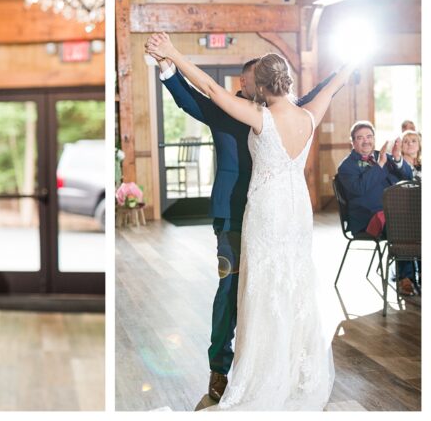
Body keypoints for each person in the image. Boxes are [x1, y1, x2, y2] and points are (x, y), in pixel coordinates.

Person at [147, 32, 355, 410]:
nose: (242, 86)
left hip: (266, 214)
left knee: (272, 291)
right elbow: (196, 95)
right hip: (261, 215)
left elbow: (210, 84)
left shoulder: (263, 113)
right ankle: (228, 366)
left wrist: (175, 51)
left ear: (259, 83)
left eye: (248, 81)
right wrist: (349, 63)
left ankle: (271, 369)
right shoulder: (280, 113)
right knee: (246, 290)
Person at [336, 122, 415, 294]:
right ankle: (405, 278)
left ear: (374, 139)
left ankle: (420, 273)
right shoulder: (346, 167)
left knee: (418, 221)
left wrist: (397, 159)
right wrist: (379, 166)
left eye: (369, 137)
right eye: (360, 138)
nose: (366, 141)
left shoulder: (384, 156)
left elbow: (409, 176)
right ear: (353, 143)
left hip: (394, 212)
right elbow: (360, 188)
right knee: (404, 227)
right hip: (367, 218)